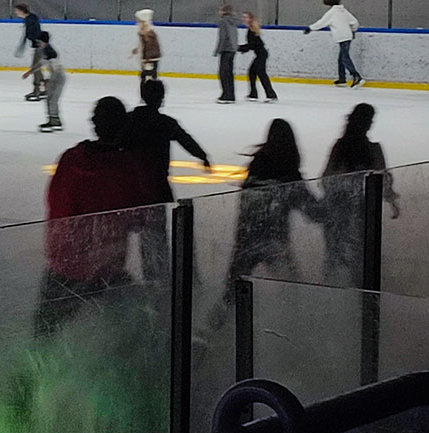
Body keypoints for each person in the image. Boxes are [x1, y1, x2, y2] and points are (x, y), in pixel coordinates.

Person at [36, 97, 155, 336]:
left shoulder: (71, 159)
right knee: (128, 329)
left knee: (46, 330)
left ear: (94, 122)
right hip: (107, 268)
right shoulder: (126, 166)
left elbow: (55, 202)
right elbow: (138, 218)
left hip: (66, 264)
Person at [220, 119, 320, 308]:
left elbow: (247, 204)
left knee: (231, 293)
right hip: (274, 240)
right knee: (292, 289)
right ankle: (294, 319)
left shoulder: (257, 165)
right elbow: (310, 208)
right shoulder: (288, 171)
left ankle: (217, 322)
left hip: (247, 238)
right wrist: (330, 209)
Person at [121, 79, 213, 279]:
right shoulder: (165, 123)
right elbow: (186, 140)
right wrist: (203, 156)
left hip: (132, 187)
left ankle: (131, 273)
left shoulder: (129, 120)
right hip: (157, 187)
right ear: (161, 98)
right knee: (156, 233)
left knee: (125, 232)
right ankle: (157, 275)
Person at [320, 103, 398, 285]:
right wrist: (391, 199)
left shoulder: (340, 147)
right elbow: (383, 179)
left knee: (335, 257)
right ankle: (361, 290)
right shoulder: (373, 150)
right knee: (360, 256)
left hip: (338, 211)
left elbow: (326, 178)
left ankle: (333, 289)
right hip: (359, 212)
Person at [303, 0, 363, 88]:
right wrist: (353, 30)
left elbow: (322, 22)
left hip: (342, 37)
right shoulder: (344, 11)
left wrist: (310, 28)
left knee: (344, 57)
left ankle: (356, 76)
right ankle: (342, 79)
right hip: (348, 35)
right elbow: (355, 22)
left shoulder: (332, 12)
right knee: (341, 58)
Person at [20, 30, 65, 132]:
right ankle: (54, 120)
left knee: (52, 99)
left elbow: (56, 69)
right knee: (50, 99)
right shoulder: (45, 50)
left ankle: (54, 121)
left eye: (39, 42)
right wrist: (29, 72)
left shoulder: (50, 52)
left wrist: (48, 81)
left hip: (58, 78)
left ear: (43, 41)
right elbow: (41, 63)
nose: (38, 44)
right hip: (56, 77)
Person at [239, 11, 277, 102]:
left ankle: (271, 95)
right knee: (252, 72)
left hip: (261, 54)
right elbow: (252, 45)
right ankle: (253, 94)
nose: (243, 19)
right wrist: (242, 48)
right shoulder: (251, 29)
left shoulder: (251, 30)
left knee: (261, 74)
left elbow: (251, 45)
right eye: (243, 17)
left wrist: (239, 48)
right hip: (260, 54)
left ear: (250, 19)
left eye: (245, 17)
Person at [14, 2, 45, 101]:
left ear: (22, 11)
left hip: (39, 46)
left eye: (17, 11)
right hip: (40, 45)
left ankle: (37, 90)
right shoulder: (32, 17)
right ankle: (44, 88)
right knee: (37, 68)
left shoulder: (30, 19)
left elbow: (32, 33)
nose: (16, 13)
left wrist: (34, 41)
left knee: (35, 68)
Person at [129, 9, 161, 101]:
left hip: (149, 57)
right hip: (150, 57)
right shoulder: (147, 31)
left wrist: (147, 58)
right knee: (149, 76)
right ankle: (150, 96)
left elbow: (149, 44)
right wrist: (137, 49)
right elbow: (143, 43)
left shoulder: (147, 32)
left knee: (147, 77)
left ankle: (147, 96)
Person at [214, 2, 238, 104]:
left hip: (226, 49)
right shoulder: (233, 21)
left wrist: (217, 50)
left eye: (220, 10)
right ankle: (231, 95)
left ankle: (226, 95)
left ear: (224, 11)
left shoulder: (223, 21)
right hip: (232, 49)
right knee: (229, 73)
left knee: (223, 73)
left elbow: (223, 37)